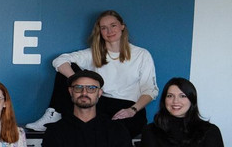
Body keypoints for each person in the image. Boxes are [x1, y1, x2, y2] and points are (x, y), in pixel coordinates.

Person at [27, 10, 157, 137]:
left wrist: (132, 110)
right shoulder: (93, 53)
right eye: (104, 28)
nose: (109, 31)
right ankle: (55, 114)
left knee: (115, 134)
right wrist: (76, 81)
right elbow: (59, 61)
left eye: (113, 25)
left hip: (129, 106)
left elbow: (150, 90)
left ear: (122, 27)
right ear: (99, 31)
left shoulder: (141, 54)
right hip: (99, 103)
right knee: (66, 69)